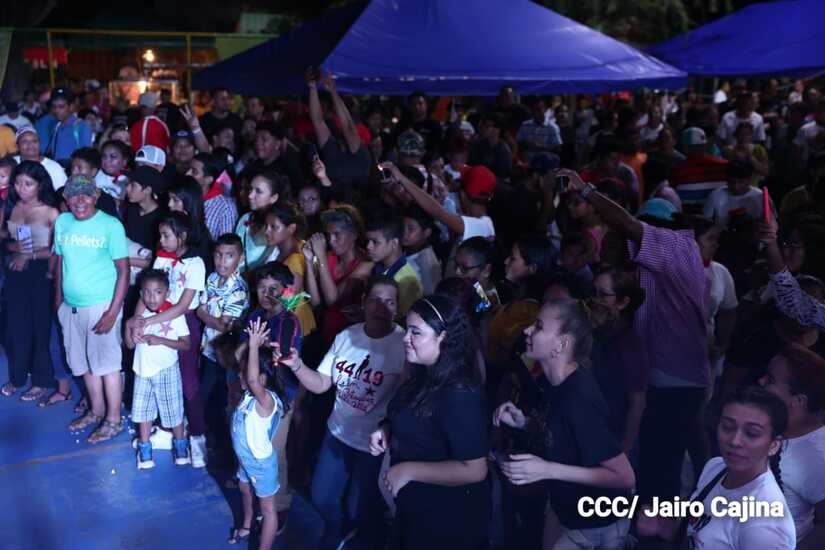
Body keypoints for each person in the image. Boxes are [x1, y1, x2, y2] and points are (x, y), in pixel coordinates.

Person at [558, 168, 710, 504]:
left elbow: (627, 225)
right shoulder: (654, 266)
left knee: (662, 470)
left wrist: (586, 191)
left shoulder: (674, 246)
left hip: (675, 382)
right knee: (664, 464)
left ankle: (661, 526)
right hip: (670, 378)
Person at [278, 275, 406, 550]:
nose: (381, 308)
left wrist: (388, 428)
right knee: (321, 496)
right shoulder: (348, 336)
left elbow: (406, 401)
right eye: (375, 300)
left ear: (397, 308)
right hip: (337, 433)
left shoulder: (403, 345)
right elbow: (322, 383)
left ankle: (360, 539)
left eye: (390, 302)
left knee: (360, 507)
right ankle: (336, 531)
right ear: (363, 302)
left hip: (373, 447)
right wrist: (297, 365)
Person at [496, 298, 636, 549]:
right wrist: (524, 423)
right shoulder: (554, 383)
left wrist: (547, 470)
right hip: (567, 511)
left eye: (539, 326)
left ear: (561, 344)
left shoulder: (578, 398)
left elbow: (624, 476)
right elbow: (561, 434)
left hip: (596, 524)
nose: (527, 330)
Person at [370, 295, 489, 550]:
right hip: (415, 507)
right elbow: (414, 419)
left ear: (443, 337)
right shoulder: (423, 373)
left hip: (446, 519)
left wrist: (409, 470)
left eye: (416, 332)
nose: (406, 338)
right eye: (407, 330)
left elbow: (475, 469)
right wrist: (386, 429)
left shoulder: (459, 393)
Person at [636, 386, 796, 550]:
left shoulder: (766, 527)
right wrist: (664, 527)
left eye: (751, 433)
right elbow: (697, 530)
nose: (735, 441)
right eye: (727, 427)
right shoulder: (716, 467)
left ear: (774, 445)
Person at [127, 212, 207, 466]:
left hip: (182, 322)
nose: (161, 240)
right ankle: (165, 431)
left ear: (182, 236)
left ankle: (197, 438)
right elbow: (148, 291)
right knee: (160, 380)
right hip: (154, 320)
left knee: (187, 382)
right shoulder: (162, 257)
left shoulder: (195, 264)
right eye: (160, 235)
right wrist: (136, 320)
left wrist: (150, 321)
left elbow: (182, 306)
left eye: (166, 235)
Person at [55, 175, 129, 443]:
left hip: (101, 306)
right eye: (73, 195)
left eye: (86, 194)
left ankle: (113, 419)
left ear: (96, 196)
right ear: (66, 199)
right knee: (83, 363)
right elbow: (60, 262)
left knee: (107, 366)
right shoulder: (63, 222)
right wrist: (59, 303)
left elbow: (124, 271)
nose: (80, 200)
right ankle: (96, 411)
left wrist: (112, 312)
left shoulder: (111, 225)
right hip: (71, 307)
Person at [234, 261, 303, 528]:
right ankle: (256, 490)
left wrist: (258, 347)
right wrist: (250, 348)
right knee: (252, 444)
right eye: (262, 287)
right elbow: (240, 354)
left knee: (274, 452)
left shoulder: (289, 322)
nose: (267, 294)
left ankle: (279, 504)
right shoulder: (255, 316)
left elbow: (282, 360)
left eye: (274, 288)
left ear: (286, 291)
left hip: (278, 397)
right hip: (253, 394)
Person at [1, 161, 60, 401]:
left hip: (41, 274)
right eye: (17, 183)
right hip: (15, 273)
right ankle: (17, 377)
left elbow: (57, 250)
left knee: (40, 328)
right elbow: (6, 239)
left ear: (40, 185)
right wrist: (13, 248)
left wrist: (29, 255)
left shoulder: (51, 212)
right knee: (16, 328)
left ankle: (41, 381)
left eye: (28, 184)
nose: (21, 188)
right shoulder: (11, 206)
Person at [228, 317, 288, 549]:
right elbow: (237, 358)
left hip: (260, 464)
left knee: (268, 509)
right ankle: (247, 524)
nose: (240, 375)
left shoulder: (266, 401)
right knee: (244, 489)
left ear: (262, 379)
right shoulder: (249, 396)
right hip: (245, 459)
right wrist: (254, 344)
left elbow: (252, 379)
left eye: (244, 372)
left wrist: (253, 347)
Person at [760, 347, 825, 548]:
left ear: (798, 401)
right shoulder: (777, 426)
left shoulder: (816, 458)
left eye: (770, 380)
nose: (761, 381)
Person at [125, 268, 190, 469]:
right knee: (143, 413)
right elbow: (129, 345)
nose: (152, 298)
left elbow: (186, 344)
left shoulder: (174, 315)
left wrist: (161, 340)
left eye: (158, 292)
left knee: (173, 411)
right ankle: (145, 450)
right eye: (147, 292)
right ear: (141, 293)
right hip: (142, 371)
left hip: (166, 371)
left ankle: (181, 447)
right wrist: (129, 326)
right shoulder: (139, 316)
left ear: (167, 293)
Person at [196, 233, 249, 444]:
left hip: (227, 354)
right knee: (208, 395)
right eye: (218, 254)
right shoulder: (211, 278)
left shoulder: (238, 289)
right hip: (209, 347)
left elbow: (223, 325)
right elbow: (206, 312)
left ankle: (220, 443)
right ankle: (208, 435)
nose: (222, 261)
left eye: (229, 255)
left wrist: (202, 315)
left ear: (240, 258)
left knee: (222, 397)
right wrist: (207, 316)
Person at [303, 205, 373, 345]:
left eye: (337, 234)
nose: (331, 241)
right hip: (326, 332)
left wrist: (321, 257)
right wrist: (308, 261)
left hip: (350, 338)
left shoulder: (365, 264)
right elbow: (315, 302)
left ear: (354, 234)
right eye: (329, 235)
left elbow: (332, 300)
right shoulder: (329, 258)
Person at [262, 201, 316, 335]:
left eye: (274, 227)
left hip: (294, 330)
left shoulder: (295, 259)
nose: (266, 231)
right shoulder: (277, 251)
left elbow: (288, 302)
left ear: (291, 228)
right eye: (266, 226)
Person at [365, 213, 423, 317]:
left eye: (375, 242)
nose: (368, 246)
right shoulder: (377, 267)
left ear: (394, 243)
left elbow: (404, 320)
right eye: (368, 241)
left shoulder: (407, 280)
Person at [235, 170, 284, 272]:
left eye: (258, 191)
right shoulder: (246, 218)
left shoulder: (278, 228)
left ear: (273, 197)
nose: (250, 195)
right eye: (250, 189)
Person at [703, 161, 775, 227]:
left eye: (741, 182)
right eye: (731, 182)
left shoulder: (761, 196)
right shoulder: (715, 195)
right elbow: (706, 221)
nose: (735, 186)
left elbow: (773, 221)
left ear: (749, 179)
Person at [187, 153, 238, 241]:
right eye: (188, 169)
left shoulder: (225, 207)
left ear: (208, 179)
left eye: (194, 172)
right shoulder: (184, 198)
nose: (187, 174)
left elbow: (226, 245)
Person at [42, 87, 93, 162]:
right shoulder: (55, 127)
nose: (57, 110)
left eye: (61, 107)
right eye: (54, 107)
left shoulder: (82, 127)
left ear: (71, 107)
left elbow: (87, 157)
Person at [402, 205, 442, 294]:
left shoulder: (426, 260)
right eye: (402, 227)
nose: (404, 233)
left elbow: (431, 293)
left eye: (410, 229)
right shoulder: (407, 250)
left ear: (426, 233)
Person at [14, 126, 67, 191]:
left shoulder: (54, 168)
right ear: (17, 146)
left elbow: (63, 193)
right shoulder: (11, 164)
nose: (30, 145)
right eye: (24, 141)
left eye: (34, 141)